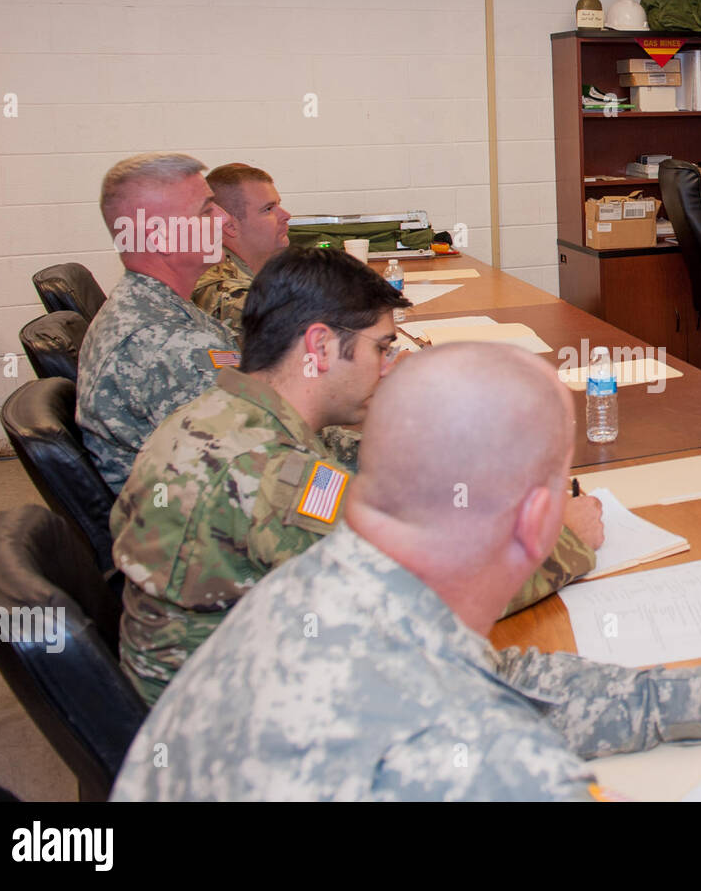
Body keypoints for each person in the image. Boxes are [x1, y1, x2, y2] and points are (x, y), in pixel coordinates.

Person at [110, 342, 701, 802]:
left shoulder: (311, 586)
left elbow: (491, 678)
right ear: (535, 520)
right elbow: (475, 722)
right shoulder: (488, 763)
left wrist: (683, 697)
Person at [112, 247, 605, 706]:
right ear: (321, 347)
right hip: (237, 731)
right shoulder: (272, 479)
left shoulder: (229, 412)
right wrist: (565, 541)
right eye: (382, 349)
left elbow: (360, 464)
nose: (390, 369)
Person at [77, 153, 240, 493]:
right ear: (161, 237)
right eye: (208, 210)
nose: (225, 219)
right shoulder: (165, 342)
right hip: (202, 532)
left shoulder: (157, 305)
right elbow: (253, 476)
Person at [191, 163, 292, 339]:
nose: (286, 215)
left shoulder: (265, 272)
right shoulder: (226, 293)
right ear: (230, 226)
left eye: (279, 205)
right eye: (268, 209)